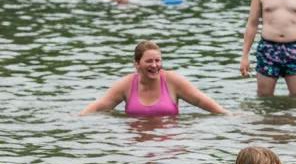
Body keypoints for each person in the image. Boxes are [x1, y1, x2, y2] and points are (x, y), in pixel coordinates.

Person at [81, 40, 228, 116]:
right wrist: (77, 118)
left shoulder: (172, 81)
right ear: (137, 64)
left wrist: (226, 114)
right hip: (137, 142)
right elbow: (101, 105)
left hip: (168, 142)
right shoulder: (126, 84)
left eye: (158, 60)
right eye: (149, 61)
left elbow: (200, 100)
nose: (155, 65)